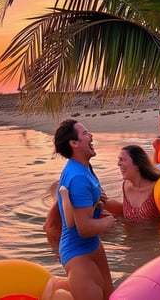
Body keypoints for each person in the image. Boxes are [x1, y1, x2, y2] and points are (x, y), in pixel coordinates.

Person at [43, 119, 114, 300]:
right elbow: (84, 228)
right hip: (77, 251)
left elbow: (85, 208)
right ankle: (57, 287)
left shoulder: (85, 166)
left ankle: (61, 285)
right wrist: (107, 222)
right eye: (85, 134)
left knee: (109, 296)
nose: (91, 136)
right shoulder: (78, 177)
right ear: (74, 143)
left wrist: (99, 202)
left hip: (93, 245)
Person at [102, 145, 160, 222]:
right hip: (130, 233)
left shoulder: (157, 187)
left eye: (122, 160)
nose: (118, 163)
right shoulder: (126, 185)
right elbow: (125, 212)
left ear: (137, 165)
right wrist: (103, 202)